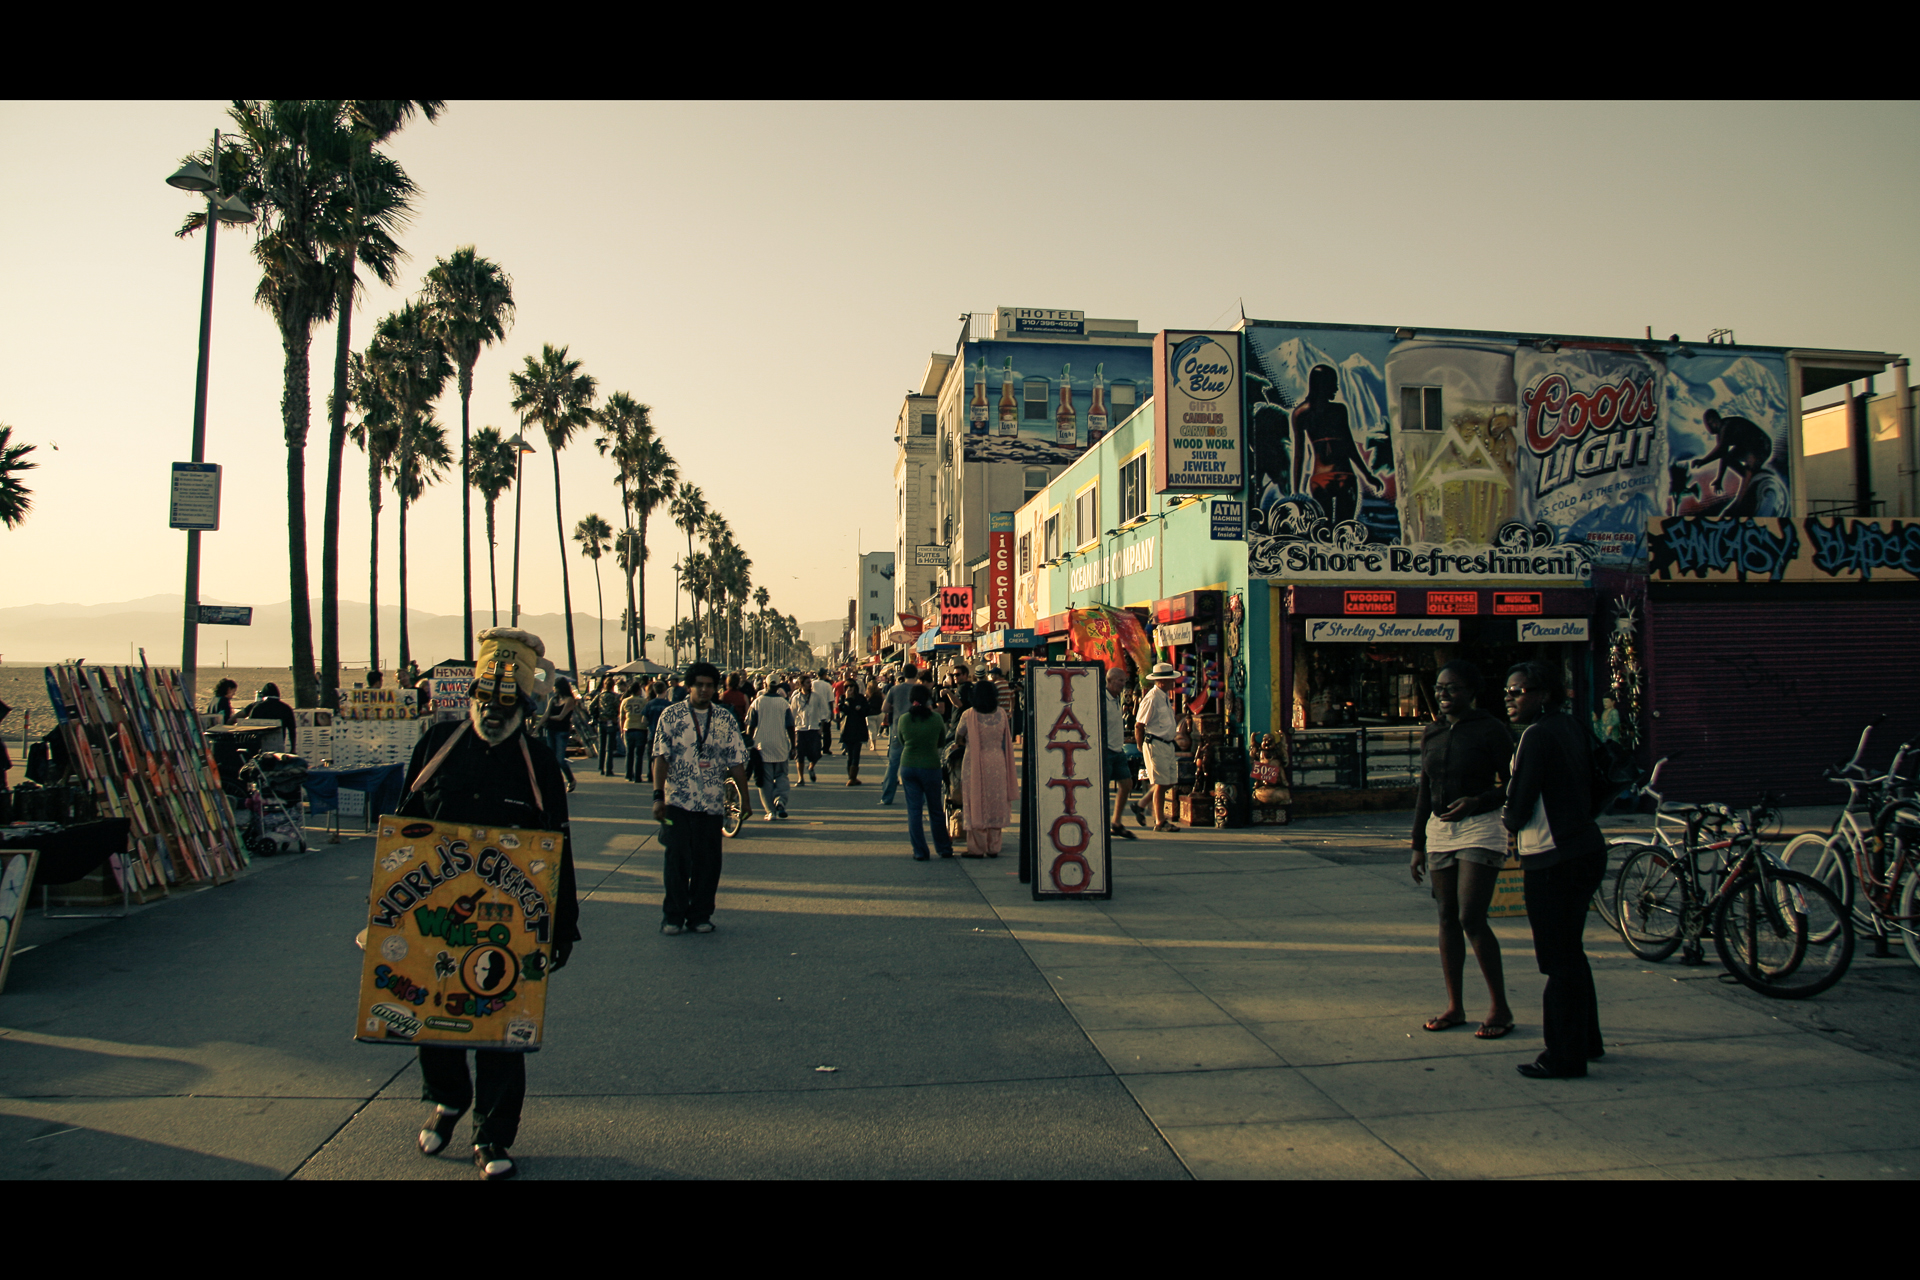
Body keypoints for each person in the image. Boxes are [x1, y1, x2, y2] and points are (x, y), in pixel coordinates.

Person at [399, 625, 580, 1181]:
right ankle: (448, 1100)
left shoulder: (540, 767)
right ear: (470, 698)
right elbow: (402, 832)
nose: (494, 711)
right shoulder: (435, 745)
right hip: (434, 914)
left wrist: (562, 925)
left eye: (507, 702)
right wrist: (381, 909)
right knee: (434, 1014)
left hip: (511, 921)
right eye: (485, 699)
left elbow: (557, 846)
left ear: (525, 708)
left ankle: (493, 1136)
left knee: (504, 1028)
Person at [1503, 660, 1606, 1079]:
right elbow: (1601, 781)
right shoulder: (1573, 727)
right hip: (1585, 848)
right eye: (1507, 692)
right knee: (1572, 952)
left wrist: (1508, 817)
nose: (1510, 699)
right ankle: (1587, 1040)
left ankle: (1564, 1055)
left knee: (1557, 960)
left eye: (1519, 691)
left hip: (1551, 858)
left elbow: (1519, 804)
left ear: (1543, 694)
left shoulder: (1536, 736)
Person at [1409, 660, 1517, 1040]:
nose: (1443, 694)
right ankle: (1455, 1006)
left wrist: (1478, 801)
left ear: (1471, 692)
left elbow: (1513, 784)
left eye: (1452, 688)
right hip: (1440, 831)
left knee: (1471, 916)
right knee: (1446, 918)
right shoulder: (1432, 734)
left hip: (1481, 827)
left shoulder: (1492, 730)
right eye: (1439, 688)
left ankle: (1499, 1008)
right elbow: (1425, 790)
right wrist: (1417, 844)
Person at [651, 661, 752, 935]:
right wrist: (657, 796)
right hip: (677, 802)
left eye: (710, 685)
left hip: (711, 803)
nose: (705, 690)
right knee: (677, 861)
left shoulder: (725, 718)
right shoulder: (670, 717)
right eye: (700, 685)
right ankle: (673, 916)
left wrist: (745, 798)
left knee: (708, 864)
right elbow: (660, 757)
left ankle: (700, 915)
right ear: (689, 686)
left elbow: (736, 762)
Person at [1290, 362, 1382, 528]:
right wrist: (1368, 476)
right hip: (1344, 475)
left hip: (1319, 478)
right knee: (1344, 531)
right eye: (1334, 384)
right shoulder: (1339, 410)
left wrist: (1296, 490)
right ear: (1324, 385)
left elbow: (1299, 454)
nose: (1336, 389)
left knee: (1322, 532)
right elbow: (1349, 448)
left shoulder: (1300, 413)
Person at [954, 678, 1016, 858]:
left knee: (976, 801)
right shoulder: (1002, 714)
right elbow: (1006, 739)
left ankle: (977, 848)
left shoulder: (969, 715)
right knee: (995, 801)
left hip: (974, 762)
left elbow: (959, 736)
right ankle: (993, 847)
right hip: (997, 761)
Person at [897, 684, 953, 860]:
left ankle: (920, 851)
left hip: (909, 765)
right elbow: (941, 742)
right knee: (935, 809)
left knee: (914, 811)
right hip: (930, 765)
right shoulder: (936, 719)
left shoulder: (904, 719)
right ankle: (943, 848)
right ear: (928, 699)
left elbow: (901, 740)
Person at [1134, 663, 1181, 832]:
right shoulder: (1151, 698)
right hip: (1155, 743)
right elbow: (1139, 724)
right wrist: (1140, 746)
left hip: (1167, 743)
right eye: (1169, 680)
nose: (1172, 683)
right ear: (1161, 681)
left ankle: (1142, 804)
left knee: (1169, 781)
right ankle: (1160, 820)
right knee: (1161, 782)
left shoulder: (1164, 697)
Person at [745, 680, 795, 820]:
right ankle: (780, 800)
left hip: (762, 746)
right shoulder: (784, 703)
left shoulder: (757, 702)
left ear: (765, 685)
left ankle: (770, 812)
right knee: (782, 776)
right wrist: (793, 746)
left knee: (765, 780)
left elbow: (750, 725)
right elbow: (790, 726)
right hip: (780, 745)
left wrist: (749, 743)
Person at [1102, 665, 1138, 842]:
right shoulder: (1101, 699)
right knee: (1102, 790)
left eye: (1124, 681)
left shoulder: (1118, 698)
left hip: (1118, 749)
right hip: (1106, 750)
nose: (1123, 684)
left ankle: (1116, 822)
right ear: (1109, 681)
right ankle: (1100, 823)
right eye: (1120, 680)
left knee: (1127, 783)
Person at [877, 664, 920, 806]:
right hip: (916, 730)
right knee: (917, 764)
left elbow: (884, 708)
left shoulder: (895, 689)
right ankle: (918, 796)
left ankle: (886, 797)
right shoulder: (919, 690)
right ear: (916, 674)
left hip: (897, 729)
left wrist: (896, 708)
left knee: (893, 764)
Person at [542, 678, 579, 792]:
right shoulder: (553, 699)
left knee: (559, 759)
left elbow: (561, 717)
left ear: (560, 688)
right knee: (551, 759)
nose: (554, 689)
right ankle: (553, 783)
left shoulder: (569, 700)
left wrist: (549, 718)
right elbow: (545, 714)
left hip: (562, 731)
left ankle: (571, 779)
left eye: (555, 687)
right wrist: (537, 727)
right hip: (551, 730)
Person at [239, 682, 298, 753]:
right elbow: (292, 730)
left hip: (257, 748)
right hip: (278, 747)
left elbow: (250, 729)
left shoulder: (257, 708)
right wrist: (293, 749)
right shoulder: (286, 708)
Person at [837, 677, 870, 785]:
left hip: (858, 728)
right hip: (847, 729)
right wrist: (847, 700)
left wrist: (860, 709)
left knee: (856, 753)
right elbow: (843, 710)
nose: (850, 689)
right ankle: (851, 777)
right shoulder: (843, 698)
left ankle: (853, 777)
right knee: (850, 754)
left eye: (852, 686)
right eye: (847, 687)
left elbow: (866, 711)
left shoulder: (860, 698)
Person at [620, 680, 650, 784]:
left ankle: (628, 775)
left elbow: (621, 717)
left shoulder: (625, 701)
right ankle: (638, 776)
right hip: (640, 729)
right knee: (639, 755)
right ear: (638, 691)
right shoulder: (644, 701)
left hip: (628, 727)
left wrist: (621, 730)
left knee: (629, 753)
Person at [591, 677, 622, 776]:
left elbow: (591, 706)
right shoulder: (615, 697)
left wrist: (595, 714)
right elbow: (619, 708)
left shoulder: (600, 696)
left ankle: (601, 767)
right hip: (611, 722)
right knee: (609, 748)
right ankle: (609, 769)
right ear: (613, 686)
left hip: (601, 721)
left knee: (602, 747)